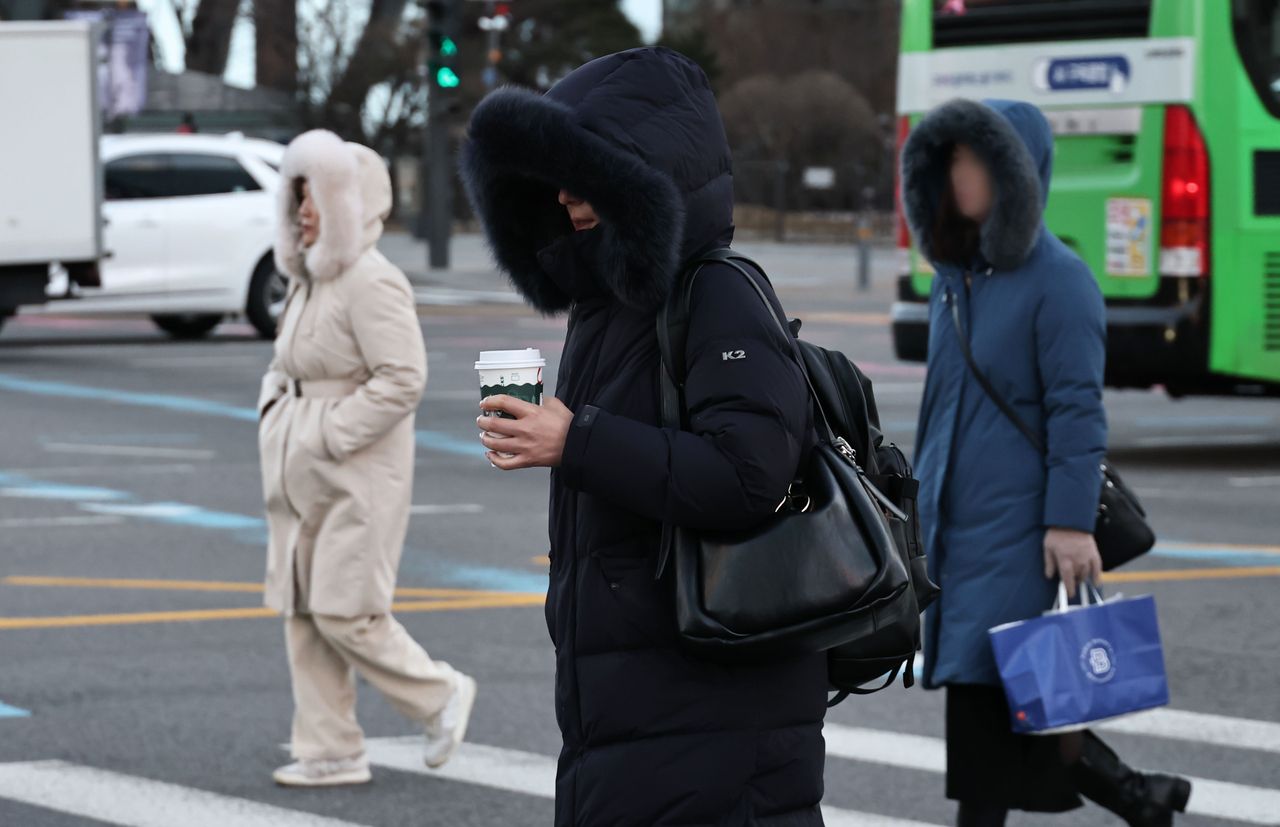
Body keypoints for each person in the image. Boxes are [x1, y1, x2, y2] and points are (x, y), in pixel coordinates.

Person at [461, 48, 828, 825]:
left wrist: (578, 440)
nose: (565, 196)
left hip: (713, 699)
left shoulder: (717, 292)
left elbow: (748, 472)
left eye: (587, 173)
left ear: (646, 175)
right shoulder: (607, 305)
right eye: (554, 176)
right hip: (635, 694)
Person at [902, 98, 1191, 827]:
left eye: (980, 160)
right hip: (958, 529)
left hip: (1020, 530)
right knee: (1019, 694)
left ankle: (1131, 793)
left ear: (1017, 173)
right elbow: (942, 407)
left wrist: (1067, 522)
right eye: (956, 159)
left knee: (991, 699)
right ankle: (1136, 794)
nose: (963, 175)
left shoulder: (1058, 278)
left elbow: (1076, 411)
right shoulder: (954, 279)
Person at [258, 129, 476, 787]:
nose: (302, 209)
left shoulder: (371, 280)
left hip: (356, 469)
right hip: (302, 461)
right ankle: (329, 749)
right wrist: (278, 409)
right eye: (297, 195)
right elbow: (287, 362)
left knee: (344, 607)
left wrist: (328, 434)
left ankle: (439, 694)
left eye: (314, 195)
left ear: (346, 200)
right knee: (302, 606)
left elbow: (403, 377)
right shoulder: (309, 277)